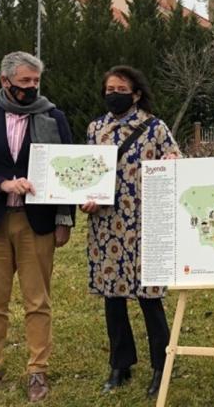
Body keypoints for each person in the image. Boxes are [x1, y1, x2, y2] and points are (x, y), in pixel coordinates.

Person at [0, 51, 75, 404]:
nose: (31, 87)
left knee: (37, 301)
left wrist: (64, 219)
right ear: (5, 81)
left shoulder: (54, 117)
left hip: (36, 223)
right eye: (25, 81)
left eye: (36, 81)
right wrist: (2, 184)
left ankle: (38, 370)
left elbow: (68, 171)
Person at [80, 65, 180, 398]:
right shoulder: (96, 128)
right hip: (107, 225)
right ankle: (120, 364)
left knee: (150, 298)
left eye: (121, 88)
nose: (114, 94)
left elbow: (177, 157)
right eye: (109, 89)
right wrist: (86, 197)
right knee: (113, 296)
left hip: (146, 222)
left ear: (136, 93)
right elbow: (87, 173)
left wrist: (171, 161)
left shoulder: (154, 127)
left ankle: (161, 366)